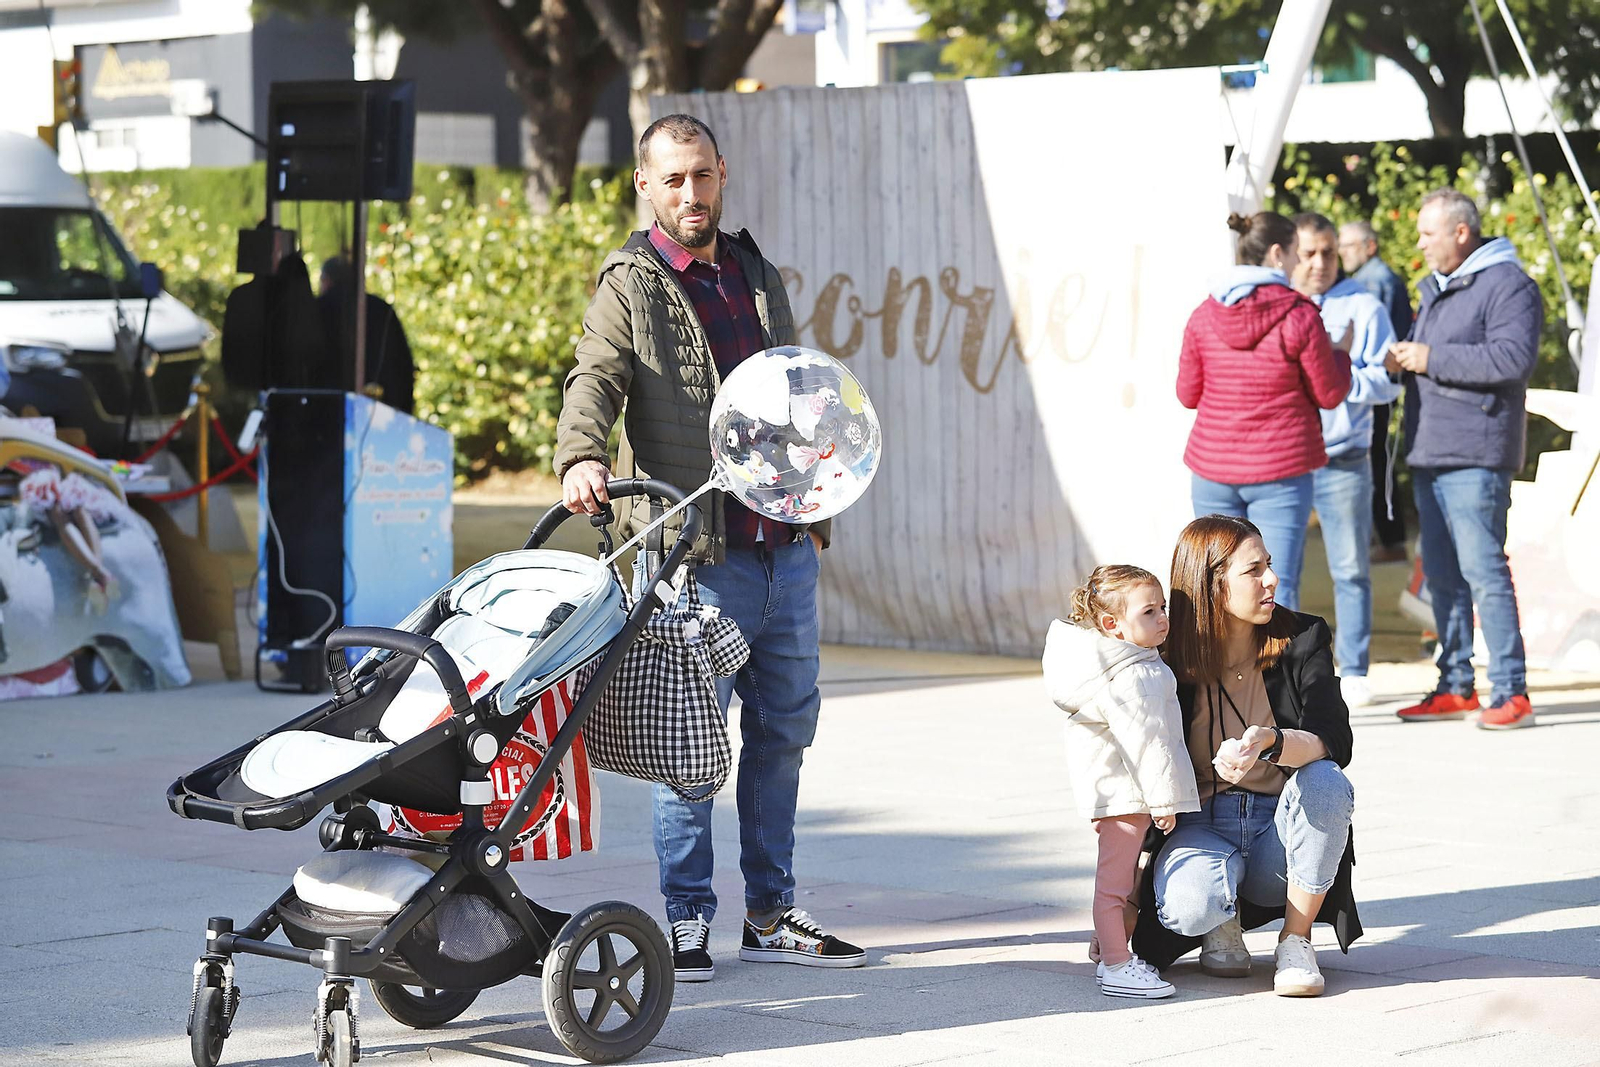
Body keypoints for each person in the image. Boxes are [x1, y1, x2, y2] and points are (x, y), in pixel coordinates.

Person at [554, 114, 864, 981]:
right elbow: (595, 378)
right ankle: (686, 919)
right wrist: (581, 454)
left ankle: (770, 913)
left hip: (785, 546)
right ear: (645, 186)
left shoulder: (755, 271)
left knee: (782, 734)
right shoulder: (631, 282)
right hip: (697, 555)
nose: (692, 194)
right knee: (689, 744)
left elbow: (798, 387)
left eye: (703, 175)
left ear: (722, 172)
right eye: (674, 180)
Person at [1131, 515, 1359, 997]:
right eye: (1253, 570)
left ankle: (1296, 941)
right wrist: (1112, 908)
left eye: (1269, 565)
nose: (1271, 579)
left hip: (1279, 826)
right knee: (1189, 906)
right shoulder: (1164, 653)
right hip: (1199, 823)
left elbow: (1334, 738)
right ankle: (1220, 919)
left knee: (1327, 781)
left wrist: (1270, 742)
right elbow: (1130, 760)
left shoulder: (1303, 636)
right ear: (1212, 584)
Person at [1389, 189, 1541, 731]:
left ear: (1460, 232)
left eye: (1429, 233)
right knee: (1445, 578)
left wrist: (1430, 358)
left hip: (1476, 453)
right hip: (1432, 448)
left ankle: (1511, 692)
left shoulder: (1509, 285)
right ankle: (1455, 685)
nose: (1421, 243)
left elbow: (1511, 359)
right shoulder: (1437, 288)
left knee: (1483, 572)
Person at [1178, 211, 1353, 612]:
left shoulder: (1204, 314)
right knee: (1275, 586)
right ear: (1277, 253)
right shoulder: (1300, 314)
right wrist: (1339, 353)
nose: (1298, 265)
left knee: (1212, 586)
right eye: (1295, 253)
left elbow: (1187, 394)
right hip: (1281, 469)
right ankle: (1272, 677)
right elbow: (1329, 393)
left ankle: (1211, 675)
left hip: (1213, 466)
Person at [1044, 565, 1199, 1000]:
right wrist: (1163, 799)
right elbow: (1146, 744)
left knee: (1123, 879)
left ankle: (1110, 948)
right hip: (1127, 795)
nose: (1164, 618)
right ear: (1112, 625)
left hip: (1120, 792)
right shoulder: (1135, 675)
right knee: (1115, 884)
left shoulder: (1122, 663)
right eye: (1149, 611)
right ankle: (1116, 964)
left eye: (1163, 607)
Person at [1292, 213, 1401, 709]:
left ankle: (1353, 667)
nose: (1320, 263)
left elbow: (1388, 381)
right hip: (1287, 457)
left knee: (1351, 567)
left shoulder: (1364, 304)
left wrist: (1338, 380)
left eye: (1329, 253)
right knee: (1277, 571)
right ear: (1289, 253)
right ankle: (1284, 668)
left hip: (1342, 457)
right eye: (1310, 253)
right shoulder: (1279, 303)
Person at [1339, 219, 1414, 562]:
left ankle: (1390, 540)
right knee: (1376, 460)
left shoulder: (1372, 283)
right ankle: (1383, 538)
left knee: (1376, 461)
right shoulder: (1371, 279)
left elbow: (1377, 348)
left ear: (1370, 246)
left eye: (1348, 246)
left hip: (1372, 389)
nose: (1341, 253)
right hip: (1373, 386)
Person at [318, 256, 416, 414]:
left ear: (326, 280)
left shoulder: (318, 310)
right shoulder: (382, 310)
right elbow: (402, 366)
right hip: (383, 413)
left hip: (326, 411)